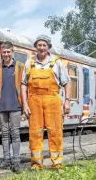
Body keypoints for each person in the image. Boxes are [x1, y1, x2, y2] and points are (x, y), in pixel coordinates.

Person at [21, 35, 71, 169]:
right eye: (39, 45)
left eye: (44, 45)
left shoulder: (57, 62)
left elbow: (66, 83)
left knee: (55, 132)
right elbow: (23, 84)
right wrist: (25, 104)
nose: (41, 47)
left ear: (48, 47)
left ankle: (57, 164)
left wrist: (67, 101)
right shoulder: (29, 62)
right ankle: (36, 165)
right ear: (36, 47)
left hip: (53, 100)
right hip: (34, 101)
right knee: (35, 133)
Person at [0, 41, 24, 173]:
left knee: (15, 134)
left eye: (8, 52)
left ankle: (16, 162)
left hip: (16, 105)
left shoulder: (20, 67)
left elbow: (24, 86)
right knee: (4, 135)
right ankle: (6, 160)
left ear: (12, 52)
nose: (6, 54)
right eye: (3, 52)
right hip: (1, 105)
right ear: (1, 53)